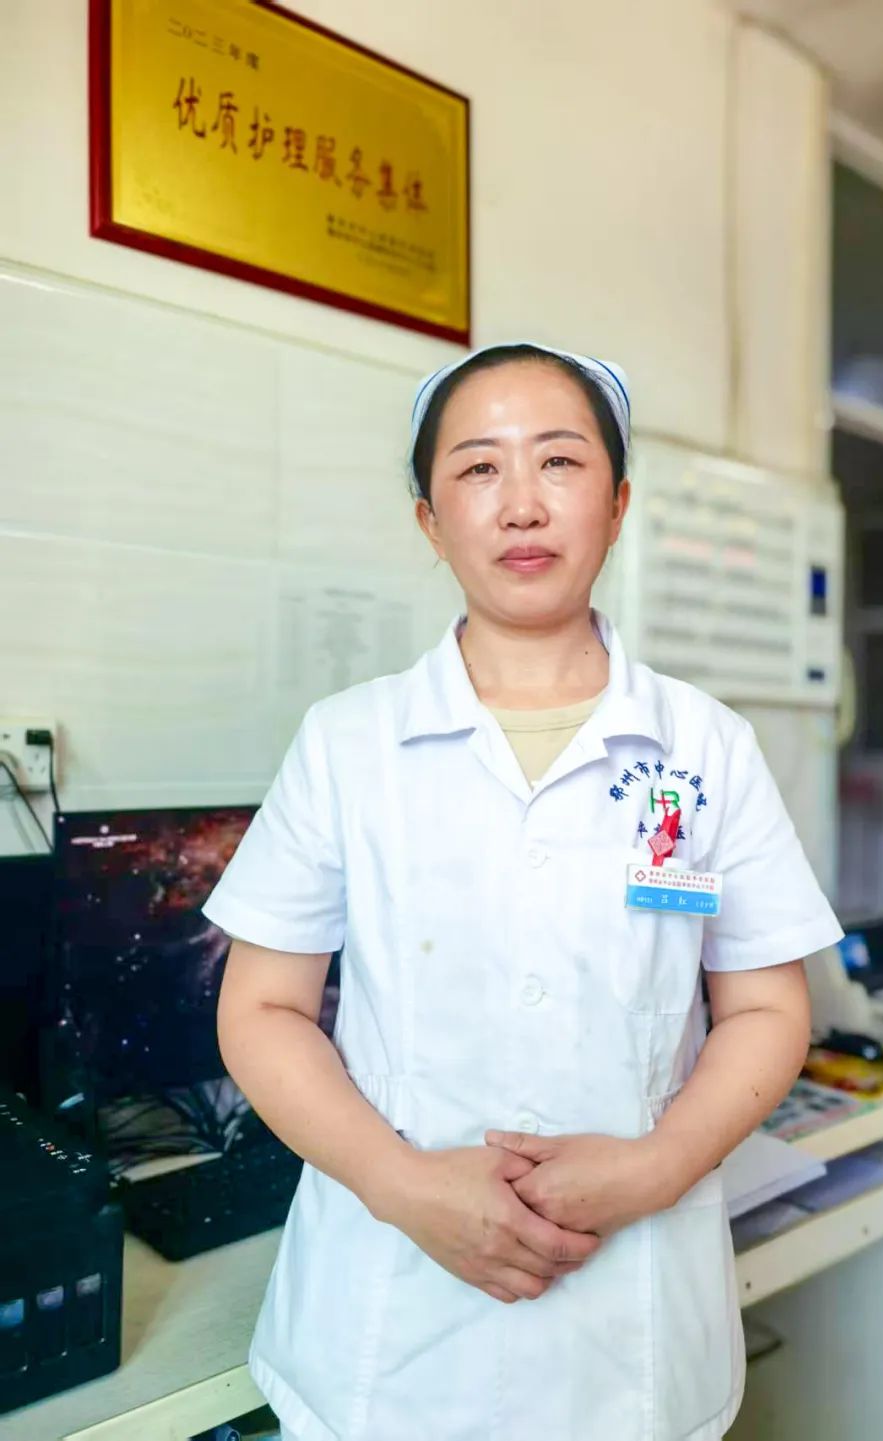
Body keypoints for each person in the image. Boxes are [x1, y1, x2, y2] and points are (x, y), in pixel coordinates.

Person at [203, 341, 843, 1441]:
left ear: (618, 502)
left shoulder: (704, 748)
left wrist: (655, 1167)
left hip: (635, 1339)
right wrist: (402, 1186)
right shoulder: (348, 744)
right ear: (430, 520)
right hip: (386, 1342)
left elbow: (767, 1006)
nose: (522, 505)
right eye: (478, 468)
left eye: (559, 460)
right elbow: (260, 1009)